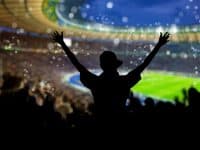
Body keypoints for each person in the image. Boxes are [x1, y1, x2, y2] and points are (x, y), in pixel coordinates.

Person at [52, 31, 170, 118]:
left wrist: (62, 43)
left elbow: (77, 64)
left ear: (102, 66)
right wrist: (158, 45)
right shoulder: (123, 82)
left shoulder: (96, 82)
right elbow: (144, 64)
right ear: (116, 66)